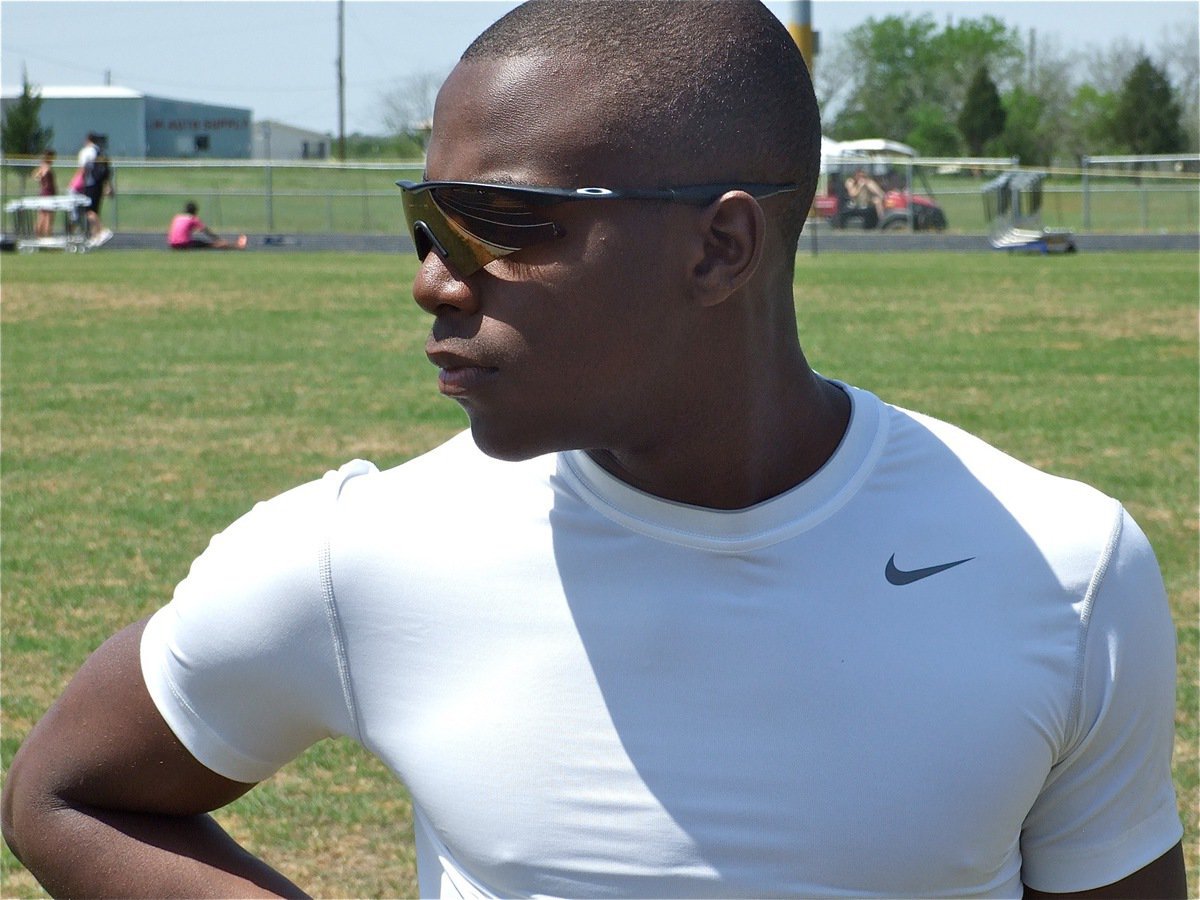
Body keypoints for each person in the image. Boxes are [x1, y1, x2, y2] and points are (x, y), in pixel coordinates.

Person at [1, 2, 1185, 898]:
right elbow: (66, 797)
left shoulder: (1063, 568)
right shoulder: (361, 552)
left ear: (721, 249)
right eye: (427, 219)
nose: (429, 278)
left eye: (501, 223)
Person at [168, 201, 248, 250]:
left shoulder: (177, 217)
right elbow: (206, 231)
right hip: (184, 244)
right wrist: (218, 239)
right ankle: (237, 246)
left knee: (198, 242)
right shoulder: (193, 218)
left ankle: (234, 245)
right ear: (194, 211)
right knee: (212, 245)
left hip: (172, 244)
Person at [31, 149, 57, 238]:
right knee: (48, 216)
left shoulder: (41, 167)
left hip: (43, 193)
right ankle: (47, 236)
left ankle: (38, 236)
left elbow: (35, 176)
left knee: (42, 215)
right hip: (48, 194)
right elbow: (47, 182)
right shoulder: (47, 167)